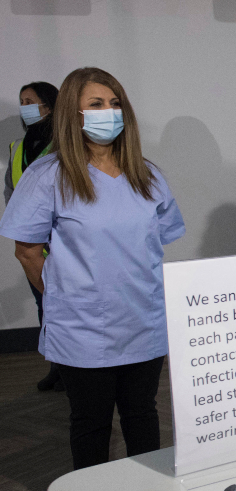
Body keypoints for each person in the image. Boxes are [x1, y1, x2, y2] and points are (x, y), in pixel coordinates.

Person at [0, 67, 186, 470]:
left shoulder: (147, 175)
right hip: (83, 327)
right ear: (73, 113)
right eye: (97, 104)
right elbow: (28, 250)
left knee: (143, 414)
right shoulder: (49, 175)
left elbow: (157, 242)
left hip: (143, 322)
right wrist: (64, 298)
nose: (109, 112)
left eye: (115, 103)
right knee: (91, 422)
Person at [5, 81, 63, 392]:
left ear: (51, 106)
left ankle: (75, 369)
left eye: (31, 101)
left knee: (67, 310)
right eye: (21, 101)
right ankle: (57, 366)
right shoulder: (16, 147)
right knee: (46, 308)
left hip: (64, 248)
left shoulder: (68, 144)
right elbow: (11, 194)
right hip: (33, 248)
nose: (25, 107)